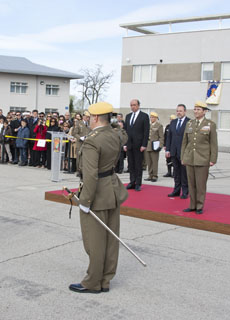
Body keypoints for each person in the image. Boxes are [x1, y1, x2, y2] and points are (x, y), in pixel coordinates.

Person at [69, 102, 128, 294]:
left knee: (94, 241)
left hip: (97, 194)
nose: (87, 119)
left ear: (95, 118)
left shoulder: (93, 140)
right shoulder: (114, 134)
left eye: (89, 117)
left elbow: (91, 175)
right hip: (112, 189)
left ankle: (92, 282)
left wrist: (85, 201)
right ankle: (105, 280)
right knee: (111, 239)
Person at [181, 101, 218, 214]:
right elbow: (185, 142)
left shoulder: (210, 124)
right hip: (190, 158)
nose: (196, 111)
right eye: (195, 109)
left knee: (200, 184)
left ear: (204, 111)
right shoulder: (190, 123)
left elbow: (213, 143)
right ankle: (192, 205)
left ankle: (199, 206)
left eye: (198, 109)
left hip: (202, 158)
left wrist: (213, 159)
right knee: (191, 183)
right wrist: (183, 156)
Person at [124, 99, 150, 191]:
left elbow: (146, 131)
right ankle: (132, 182)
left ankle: (138, 183)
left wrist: (144, 144)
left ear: (138, 105)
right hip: (129, 145)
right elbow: (125, 131)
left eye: (134, 105)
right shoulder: (128, 116)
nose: (133, 107)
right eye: (131, 105)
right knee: (131, 164)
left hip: (139, 145)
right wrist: (125, 144)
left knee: (138, 165)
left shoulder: (144, 116)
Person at [166, 104, 190, 198]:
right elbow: (169, 137)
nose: (178, 113)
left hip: (183, 152)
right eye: (177, 111)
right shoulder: (173, 122)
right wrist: (168, 149)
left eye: (180, 111)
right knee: (176, 172)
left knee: (184, 173)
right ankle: (176, 190)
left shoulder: (189, 122)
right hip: (174, 151)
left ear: (185, 111)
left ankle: (185, 191)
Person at [144, 112, 164, 182]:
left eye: (153, 117)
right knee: (149, 162)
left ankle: (155, 175)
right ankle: (150, 175)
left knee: (154, 161)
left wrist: (160, 145)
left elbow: (161, 137)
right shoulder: (149, 125)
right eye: (151, 117)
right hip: (148, 145)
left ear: (156, 118)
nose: (152, 118)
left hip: (155, 145)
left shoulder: (159, 126)